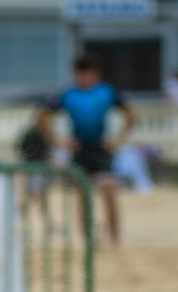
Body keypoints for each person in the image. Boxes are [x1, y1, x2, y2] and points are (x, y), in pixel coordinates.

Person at [40, 56, 133, 245]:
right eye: (80, 75)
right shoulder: (68, 94)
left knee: (109, 189)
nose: (84, 79)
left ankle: (115, 239)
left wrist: (118, 139)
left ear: (95, 74)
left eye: (87, 75)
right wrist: (59, 141)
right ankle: (88, 239)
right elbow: (42, 118)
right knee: (82, 194)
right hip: (80, 148)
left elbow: (131, 114)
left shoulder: (107, 92)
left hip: (101, 148)